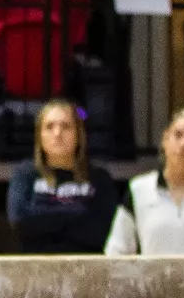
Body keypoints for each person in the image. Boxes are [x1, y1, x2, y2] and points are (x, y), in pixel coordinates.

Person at [106, 106, 184, 255]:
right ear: (165, 139)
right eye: (177, 135)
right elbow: (116, 250)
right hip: (153, 279)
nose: (183, 145)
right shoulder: (138, 189)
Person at [6, 99, 119, 254]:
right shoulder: (26, 174)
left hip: (87, 269)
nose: (57, 134)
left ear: (78, 134)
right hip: (38, 268)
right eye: (49, 127)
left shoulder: (99, 178)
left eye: (66, 126)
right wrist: (78, 211)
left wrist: (43, 217)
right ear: (40, 135)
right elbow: (20, 221)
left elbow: (102, 231)